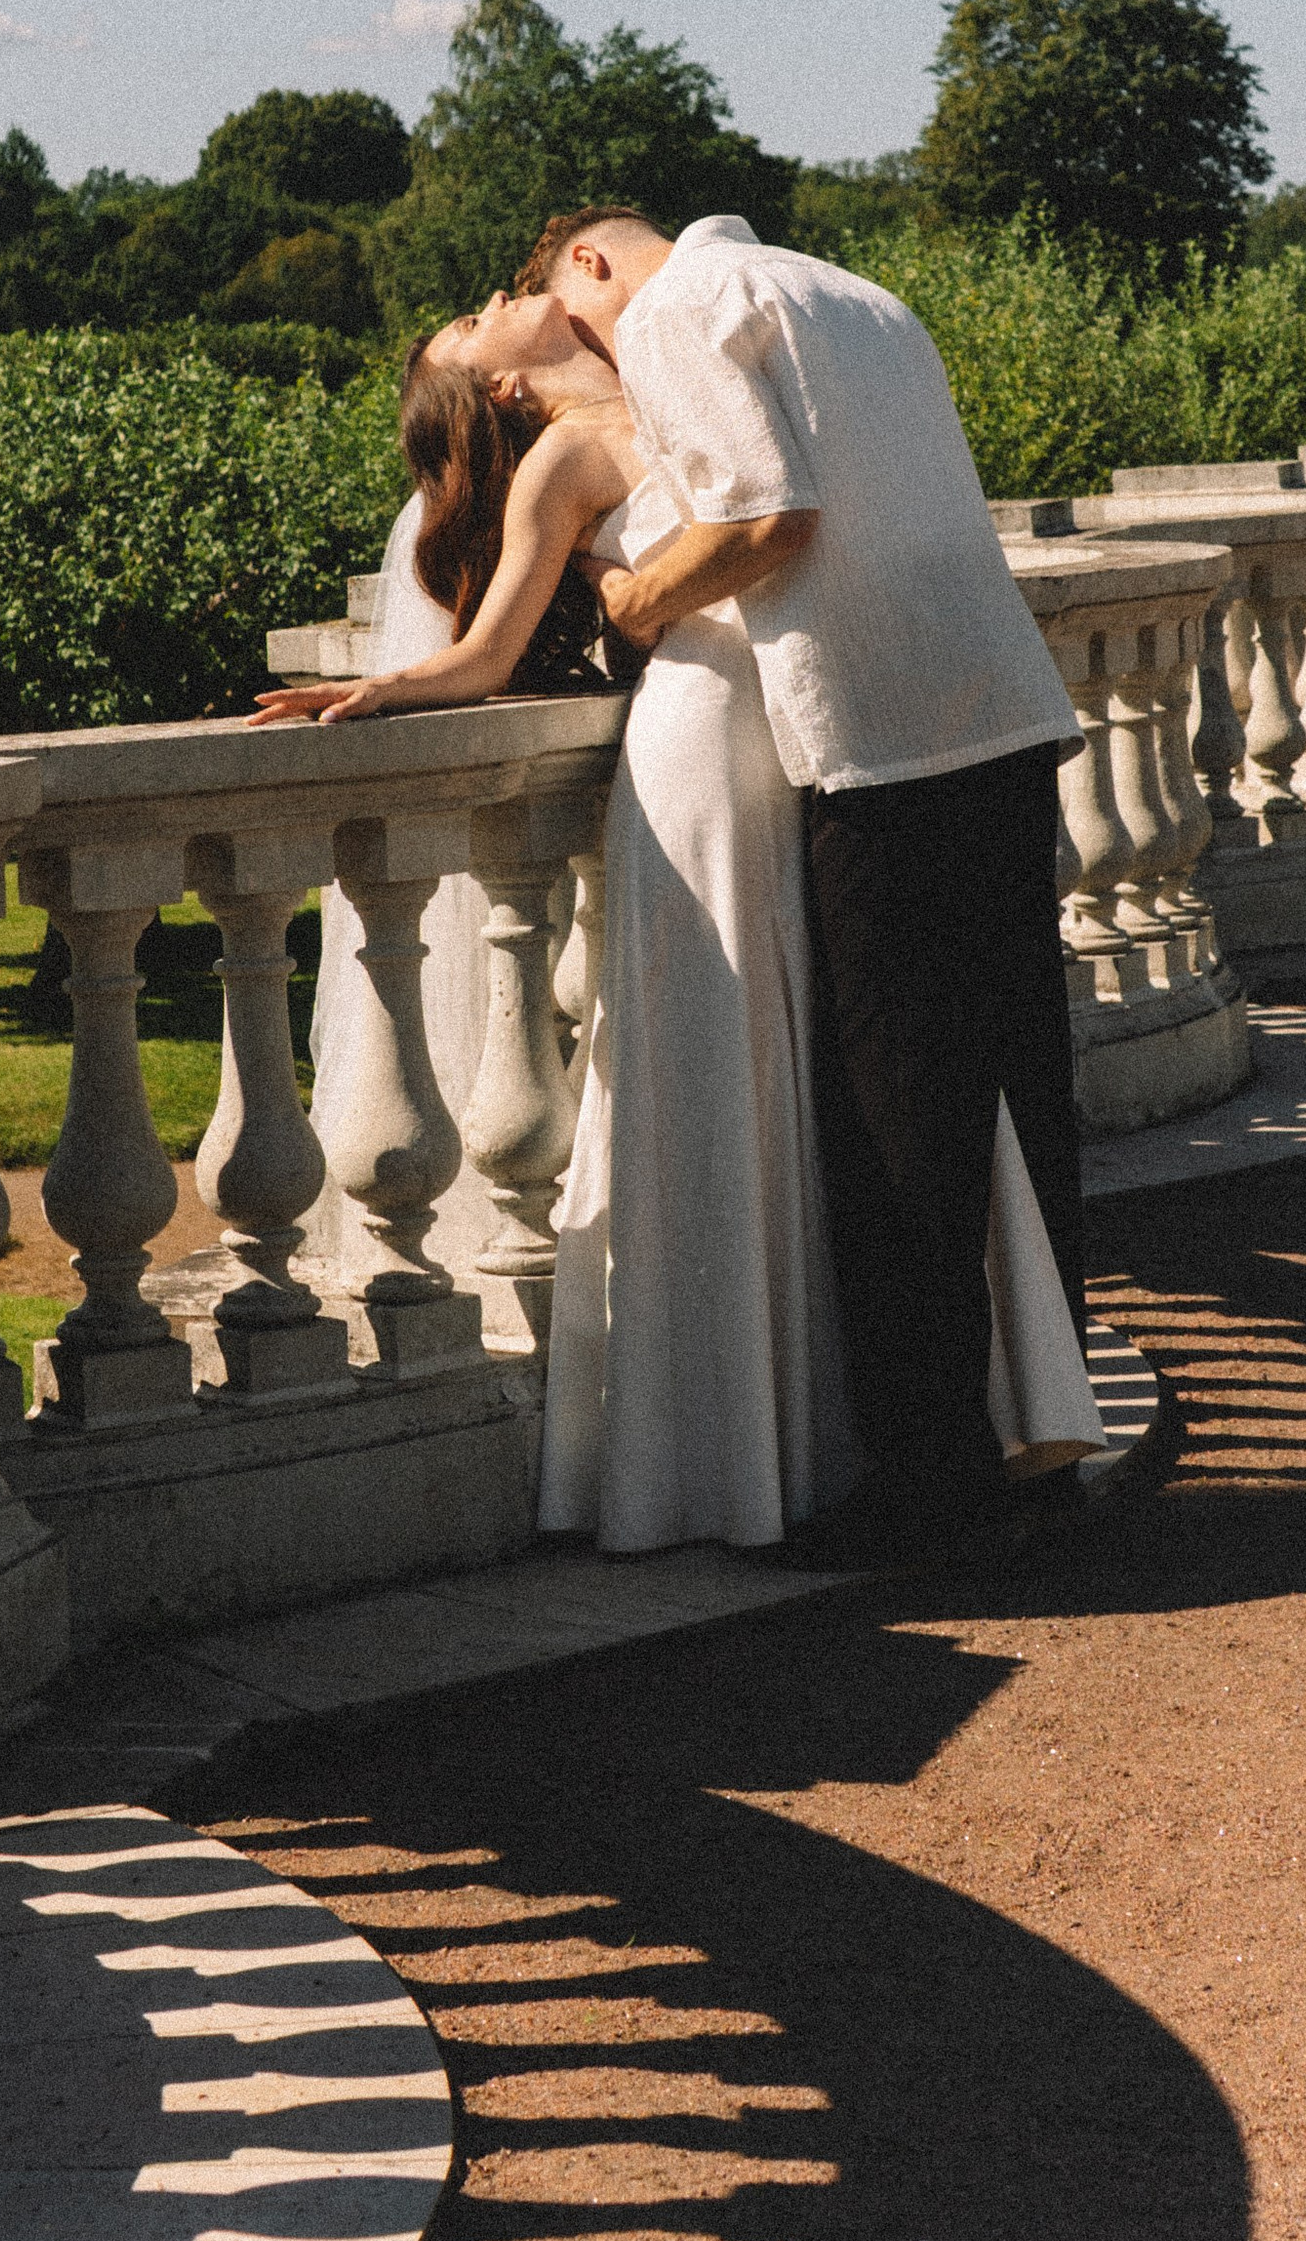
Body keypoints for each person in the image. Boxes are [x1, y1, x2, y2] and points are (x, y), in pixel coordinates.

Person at [257, 253, 1102, 1556]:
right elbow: (486, 651)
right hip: (707, 748)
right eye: (476, 314)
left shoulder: (683, 376)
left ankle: (901, 1418)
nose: (502, 294)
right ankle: (737, 1454)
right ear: (490, 374)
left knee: (847, 1073)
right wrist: (381, 694)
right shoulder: (567, 456)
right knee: (728, 1065)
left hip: (803, 736)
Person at [516, 204, 1095, 1559]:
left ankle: (927, 1484)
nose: (602, 349)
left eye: (578, 314)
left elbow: (769, 516)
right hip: (1002, 709)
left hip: (881, 736)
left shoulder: (671, 310)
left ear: (595, 265)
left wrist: (636, 601)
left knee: (898, 1118)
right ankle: (1039, 1435)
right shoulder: (858, 295)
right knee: (1018, 1105)